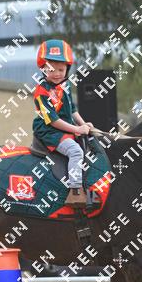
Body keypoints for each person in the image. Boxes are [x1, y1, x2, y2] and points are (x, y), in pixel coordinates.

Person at [32, 39, 94, 208]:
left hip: (66, 127)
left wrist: (84, 124)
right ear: (44, 68)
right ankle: (75, 192)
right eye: (52, 69)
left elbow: (72, 109)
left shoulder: (64, 86)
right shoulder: (41, 92)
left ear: (67, 69)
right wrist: (77, 129)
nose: (57, 73)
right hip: (50, 131)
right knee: (75, 151)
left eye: (61, 69)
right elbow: (53, 121)